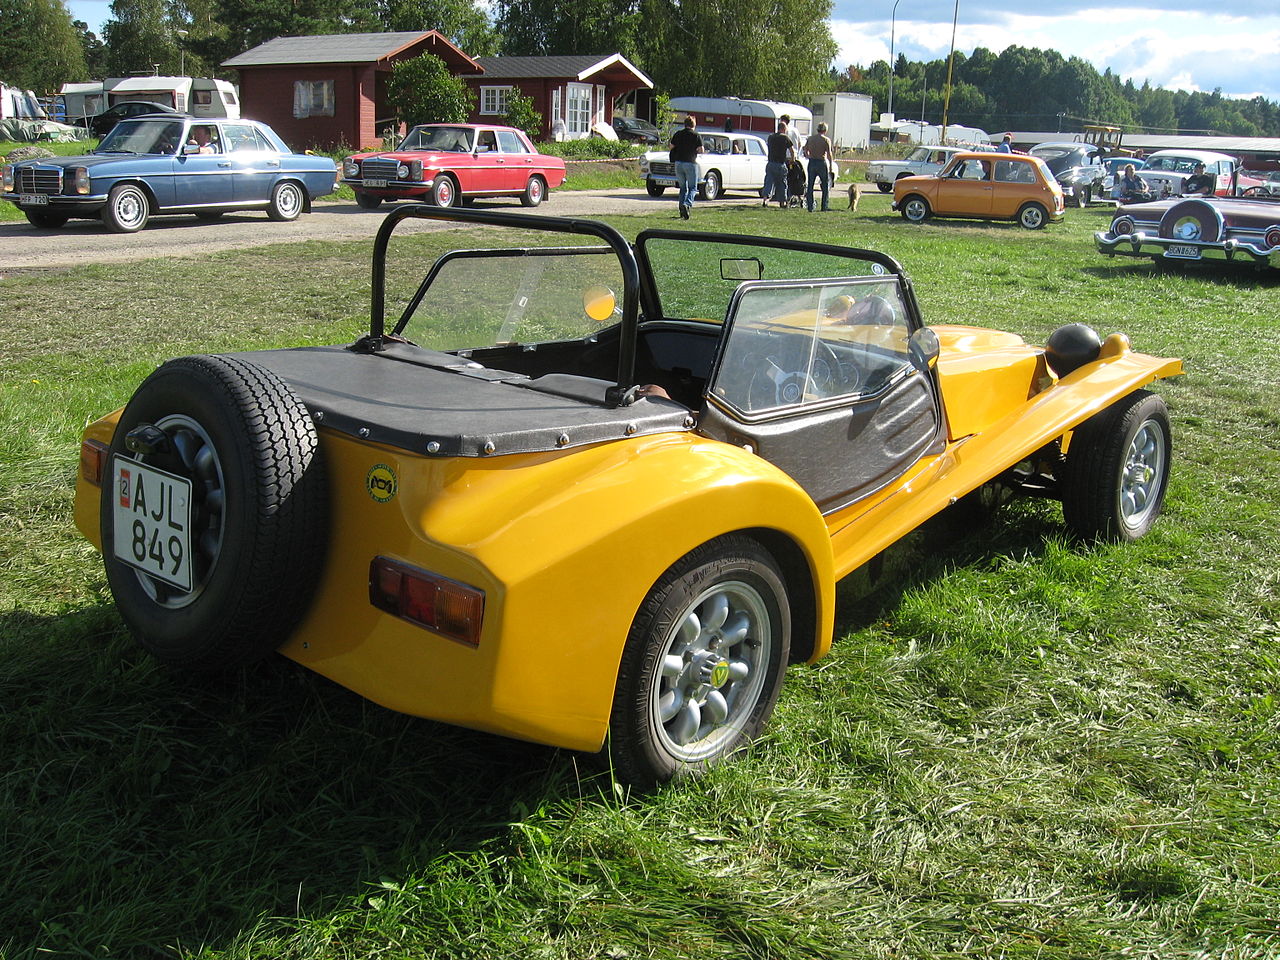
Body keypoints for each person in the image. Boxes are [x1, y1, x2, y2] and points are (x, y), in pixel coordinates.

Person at [668, 115, 703, 220]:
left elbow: (671, 146)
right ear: (694, 124)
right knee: (693, 187)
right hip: (690, 163)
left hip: (678, 163)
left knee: (683, 188)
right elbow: (701, 149)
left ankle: (681, 209)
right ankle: (687, 204)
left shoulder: (678, 134)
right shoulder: (696, 135)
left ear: (685, 124)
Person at [762, 121, 795, 208]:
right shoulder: (785, 138)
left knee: (768, 182)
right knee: (782, 183)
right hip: (780, 164)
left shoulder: (771, 137)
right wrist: (792, 160)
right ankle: (782, 202)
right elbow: (792, 151)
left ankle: (765, 199)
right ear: (784, 129)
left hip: (771, 163)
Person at [803, 121, 834, 212]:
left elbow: (805, 149)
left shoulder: (811, 139)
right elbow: (829, 154)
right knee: (824, 186)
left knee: (810, 185)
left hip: (812, 161)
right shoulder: (826, 140)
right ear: (825, 130)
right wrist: (831, 166)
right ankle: (824, 206)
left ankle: (810, 206)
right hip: (821, 162)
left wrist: (807, 155)